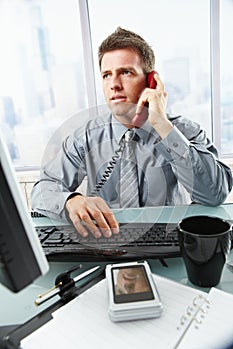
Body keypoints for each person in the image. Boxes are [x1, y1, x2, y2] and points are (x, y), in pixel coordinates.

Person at [31, 27, 232, 239]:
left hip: (168, 240)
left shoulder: (182, 131)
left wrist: (162, 126)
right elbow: (42, 190)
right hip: (105, 242)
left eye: (125, 72)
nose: (114, 85)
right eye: (107, 75)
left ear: (151, 81)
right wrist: (70, 200)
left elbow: (214, 194)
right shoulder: (86, 136)